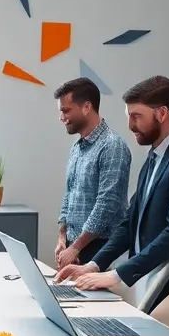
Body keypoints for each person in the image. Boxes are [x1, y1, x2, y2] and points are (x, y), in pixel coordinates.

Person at [56, 76, 169, 307]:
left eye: (136, 116)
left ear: (161, 113)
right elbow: (129, 222)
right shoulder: (155, 157)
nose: (130, 125)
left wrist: (116, 275)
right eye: (129, 116)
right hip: (152, 281)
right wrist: (93, 265)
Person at [54, 77, 131, 269]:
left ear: (86, 107)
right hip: (76, 246)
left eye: (66, 110)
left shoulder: (112, 146)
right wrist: (62, 237)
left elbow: (107, 203)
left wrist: (75, 247)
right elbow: (69, 194)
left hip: (101, 249)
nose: (61, 117)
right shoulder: (76, 148)